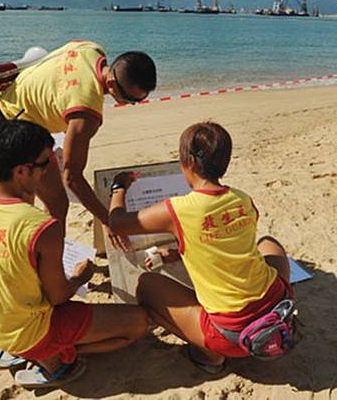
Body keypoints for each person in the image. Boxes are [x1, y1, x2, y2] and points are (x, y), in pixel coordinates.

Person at [0, 120, 148, 388]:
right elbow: (58, 295)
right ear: (21, 171)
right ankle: (56, 359)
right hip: (32, 330)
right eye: (46, 163)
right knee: (137, 323)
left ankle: (22, 349)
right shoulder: (41, 227)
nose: (50, 169)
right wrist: (80, 277)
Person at [107, 122, 293, 373]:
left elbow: (118, 223)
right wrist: (177, 253)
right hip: (279, 306)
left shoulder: (178, 210)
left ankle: (210, 356)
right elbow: (223, 244)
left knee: (146, 284)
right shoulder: (242, 198)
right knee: (268, 243)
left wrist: (118, 188)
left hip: (230, 335)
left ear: (190, 163)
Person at [0, 40, 157, 248]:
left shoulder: (91, 48)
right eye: (130, 100)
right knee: (53, 202)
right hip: (10, 119)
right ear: (111, 84)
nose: (131, 105)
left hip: (6, 97)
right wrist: (108, 221)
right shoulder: (86, 113)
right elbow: (72, 177)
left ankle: (43, 256)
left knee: (48, 199)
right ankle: (49, 267)